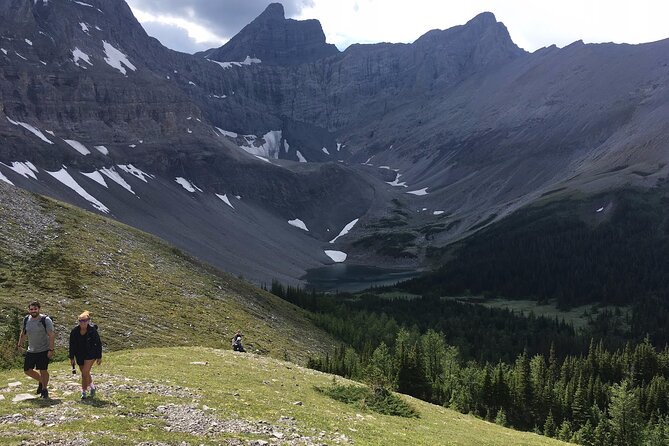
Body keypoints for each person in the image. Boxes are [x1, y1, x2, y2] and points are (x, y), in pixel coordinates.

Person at [17, 301, 55, 399]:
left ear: (39, 309)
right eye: (31, 309)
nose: (33, 311)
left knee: (43, 370)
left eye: (35, 309)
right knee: (27, 370)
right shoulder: (26, 319)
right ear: (29, 310)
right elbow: (24, 333)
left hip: (44, 349)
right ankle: (42, 381)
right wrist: (19, 345)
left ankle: (44, 390)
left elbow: (51, 335)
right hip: (31, 350)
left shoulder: (45, 320)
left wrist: (51, 350)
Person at [68, 311, 102, 399]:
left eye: (84, 320)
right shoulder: (74, 331)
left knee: (84, 373)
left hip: (91, 354)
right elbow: (72, 345)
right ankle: (92, 387)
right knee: (85, 373)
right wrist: (71, 357)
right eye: (80, 321)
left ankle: (83, 391)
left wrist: (99, 356)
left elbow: (98, 343)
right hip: (79, 354)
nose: (82, 323)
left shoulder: (92, 330)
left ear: (88, 321)